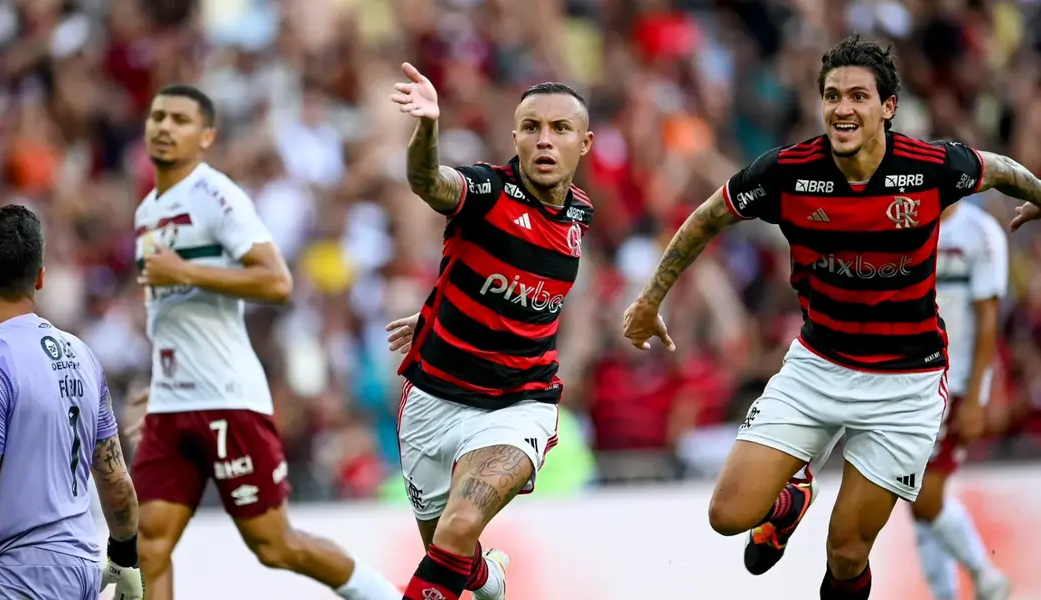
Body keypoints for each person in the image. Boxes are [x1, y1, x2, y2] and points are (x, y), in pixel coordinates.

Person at [621, 34, 1041, 600]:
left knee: (846, 552)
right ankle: (791, 494)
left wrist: (1039, 193)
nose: (843, 108)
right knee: (727, 514)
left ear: (887, 107)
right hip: (818, 365)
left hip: (906, 385)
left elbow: (997, 168)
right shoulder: (789, 172)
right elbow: (709, 215)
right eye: (832, 95)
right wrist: (651, 299)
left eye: (858, 96)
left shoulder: (931, 167)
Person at [129, 84, 401, 600]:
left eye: (181, 120)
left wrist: (183, 269)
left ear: (206, 136)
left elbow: (276, 282)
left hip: (228, 398)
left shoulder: (216, 195)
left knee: (275, 546)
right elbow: (169, 313)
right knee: (150, 546)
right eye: (158, 116)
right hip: (174, 400)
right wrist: (164, 383)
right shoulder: (147, 211)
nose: (165, 127)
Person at [387, 62, 594, 600]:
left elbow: (518, 287)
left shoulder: (579, 215)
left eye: (559, 129)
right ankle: (489, 578)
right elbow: (429, 182)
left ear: (585, 143)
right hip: (432, 398)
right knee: (450, 549)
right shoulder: (487, 191)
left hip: (516, 401)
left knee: (458, 529)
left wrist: (441, 309)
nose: (544, 141)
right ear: (515, 138)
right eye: (531, 128)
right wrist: (428, 127)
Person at [0, 205, 143, 600]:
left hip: (20, 580)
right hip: (82, 574)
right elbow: (116, 482)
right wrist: (126, 557)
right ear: (39, 278)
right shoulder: (83, 358)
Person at [913, 201, 1011, 600]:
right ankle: (946, 594)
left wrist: (976, 395)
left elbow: (988, 318)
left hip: (954, 384)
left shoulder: (981, 232)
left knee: (925, 495)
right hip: (910, 382)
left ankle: (986, 577)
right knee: (912, 491)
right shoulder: (910, 223)